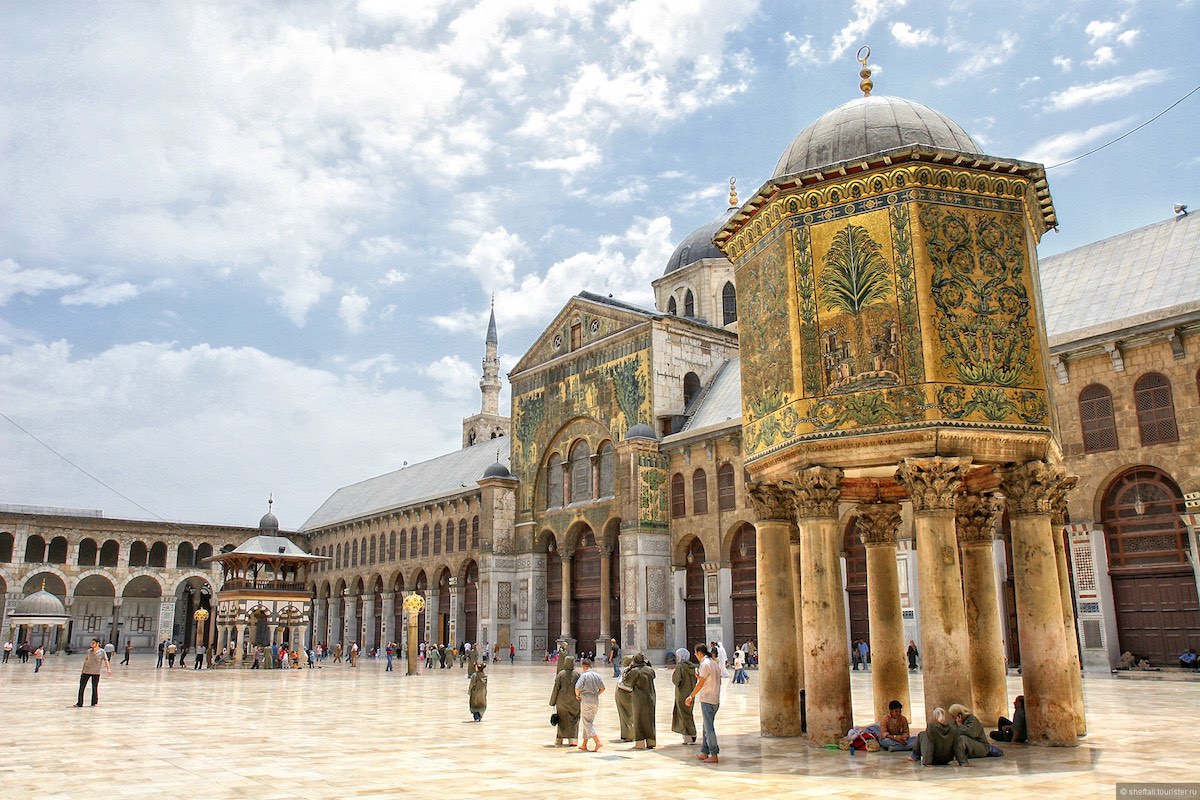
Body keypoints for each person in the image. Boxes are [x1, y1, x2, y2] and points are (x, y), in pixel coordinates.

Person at [686, 643, 721, 764]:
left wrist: (691, 696)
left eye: (696, 654)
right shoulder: (714, 664)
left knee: (709, 728)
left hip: (707, 699)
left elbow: (700, 684)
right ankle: (705, 751)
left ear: (700, 653)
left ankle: (714, 753)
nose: (695, 656)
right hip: (715, 698)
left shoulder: (705, 664)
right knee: (706, 726)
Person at [624, 652, 657, 750]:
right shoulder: (650, 670)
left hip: (639, 699)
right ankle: (651, 741)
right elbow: (653, 676)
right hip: (650, 698)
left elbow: (627, 682)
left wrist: (628, 669)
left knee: (639, 720)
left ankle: (640, 743)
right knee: (650, 720)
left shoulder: (635, 671)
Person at [574, 657, 606, 751]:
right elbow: (603, 688)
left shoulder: (584, 676)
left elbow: (577, 687)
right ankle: (584, 744)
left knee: (587, 722)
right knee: (588, 721)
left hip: (586, 700)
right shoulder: (597, 675)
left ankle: (597, 742)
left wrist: (577, 695)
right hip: (595, 700)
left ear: (584, 667)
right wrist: (596, 694)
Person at [550, 655, 581, 747]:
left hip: (561, 702)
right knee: (574, 719)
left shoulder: (561, 674)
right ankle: (573, 740)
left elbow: (556, 688)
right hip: (574, 701)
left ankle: (559, 739)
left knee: (562, 720)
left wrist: (552, 701)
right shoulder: (577, 675)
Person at [670, 647, 697, 745]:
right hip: (691, 693)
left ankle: (689, 736)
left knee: (683, 715)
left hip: (682, 694)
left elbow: (676, 680)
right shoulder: (692, 666)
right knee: (688, 713)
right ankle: (692, 735)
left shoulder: (680, 667)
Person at [76, 638, 112, 707]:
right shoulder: (89, 651)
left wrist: (108, 669)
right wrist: (82, 671)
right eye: (91, 643)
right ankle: (79, 703)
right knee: (82, 687)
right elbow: (86, 661)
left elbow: (106, 660)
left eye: (93, 643)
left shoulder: (102, 651)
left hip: (96, 672)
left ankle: (94, 702)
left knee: (94, 687)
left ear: (97, 644)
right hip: (86, 671)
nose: (91, 644)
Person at [613, 655, 635, 742]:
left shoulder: (627, 670)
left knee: (626, 715)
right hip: (627, 694)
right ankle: (629, 734)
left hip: (623, 694)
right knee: (629, 714)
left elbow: (621, 683)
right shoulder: (631, 670)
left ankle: (629, 735)